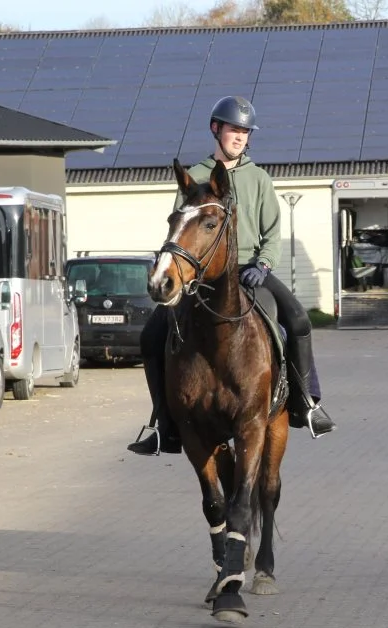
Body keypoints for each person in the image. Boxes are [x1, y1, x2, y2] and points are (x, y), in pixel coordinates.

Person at [127, 96, 337, 455]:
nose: (239, 136)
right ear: (216, 129)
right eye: (233, 129)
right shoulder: (194, 176)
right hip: (203, 276)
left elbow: (272, 230)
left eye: (244, 131)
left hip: (250, 270)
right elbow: (181, 227)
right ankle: (163, 423)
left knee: (299, 321)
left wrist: (265, 264)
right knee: (152, 336)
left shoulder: (259, 178)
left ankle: (306, 403)